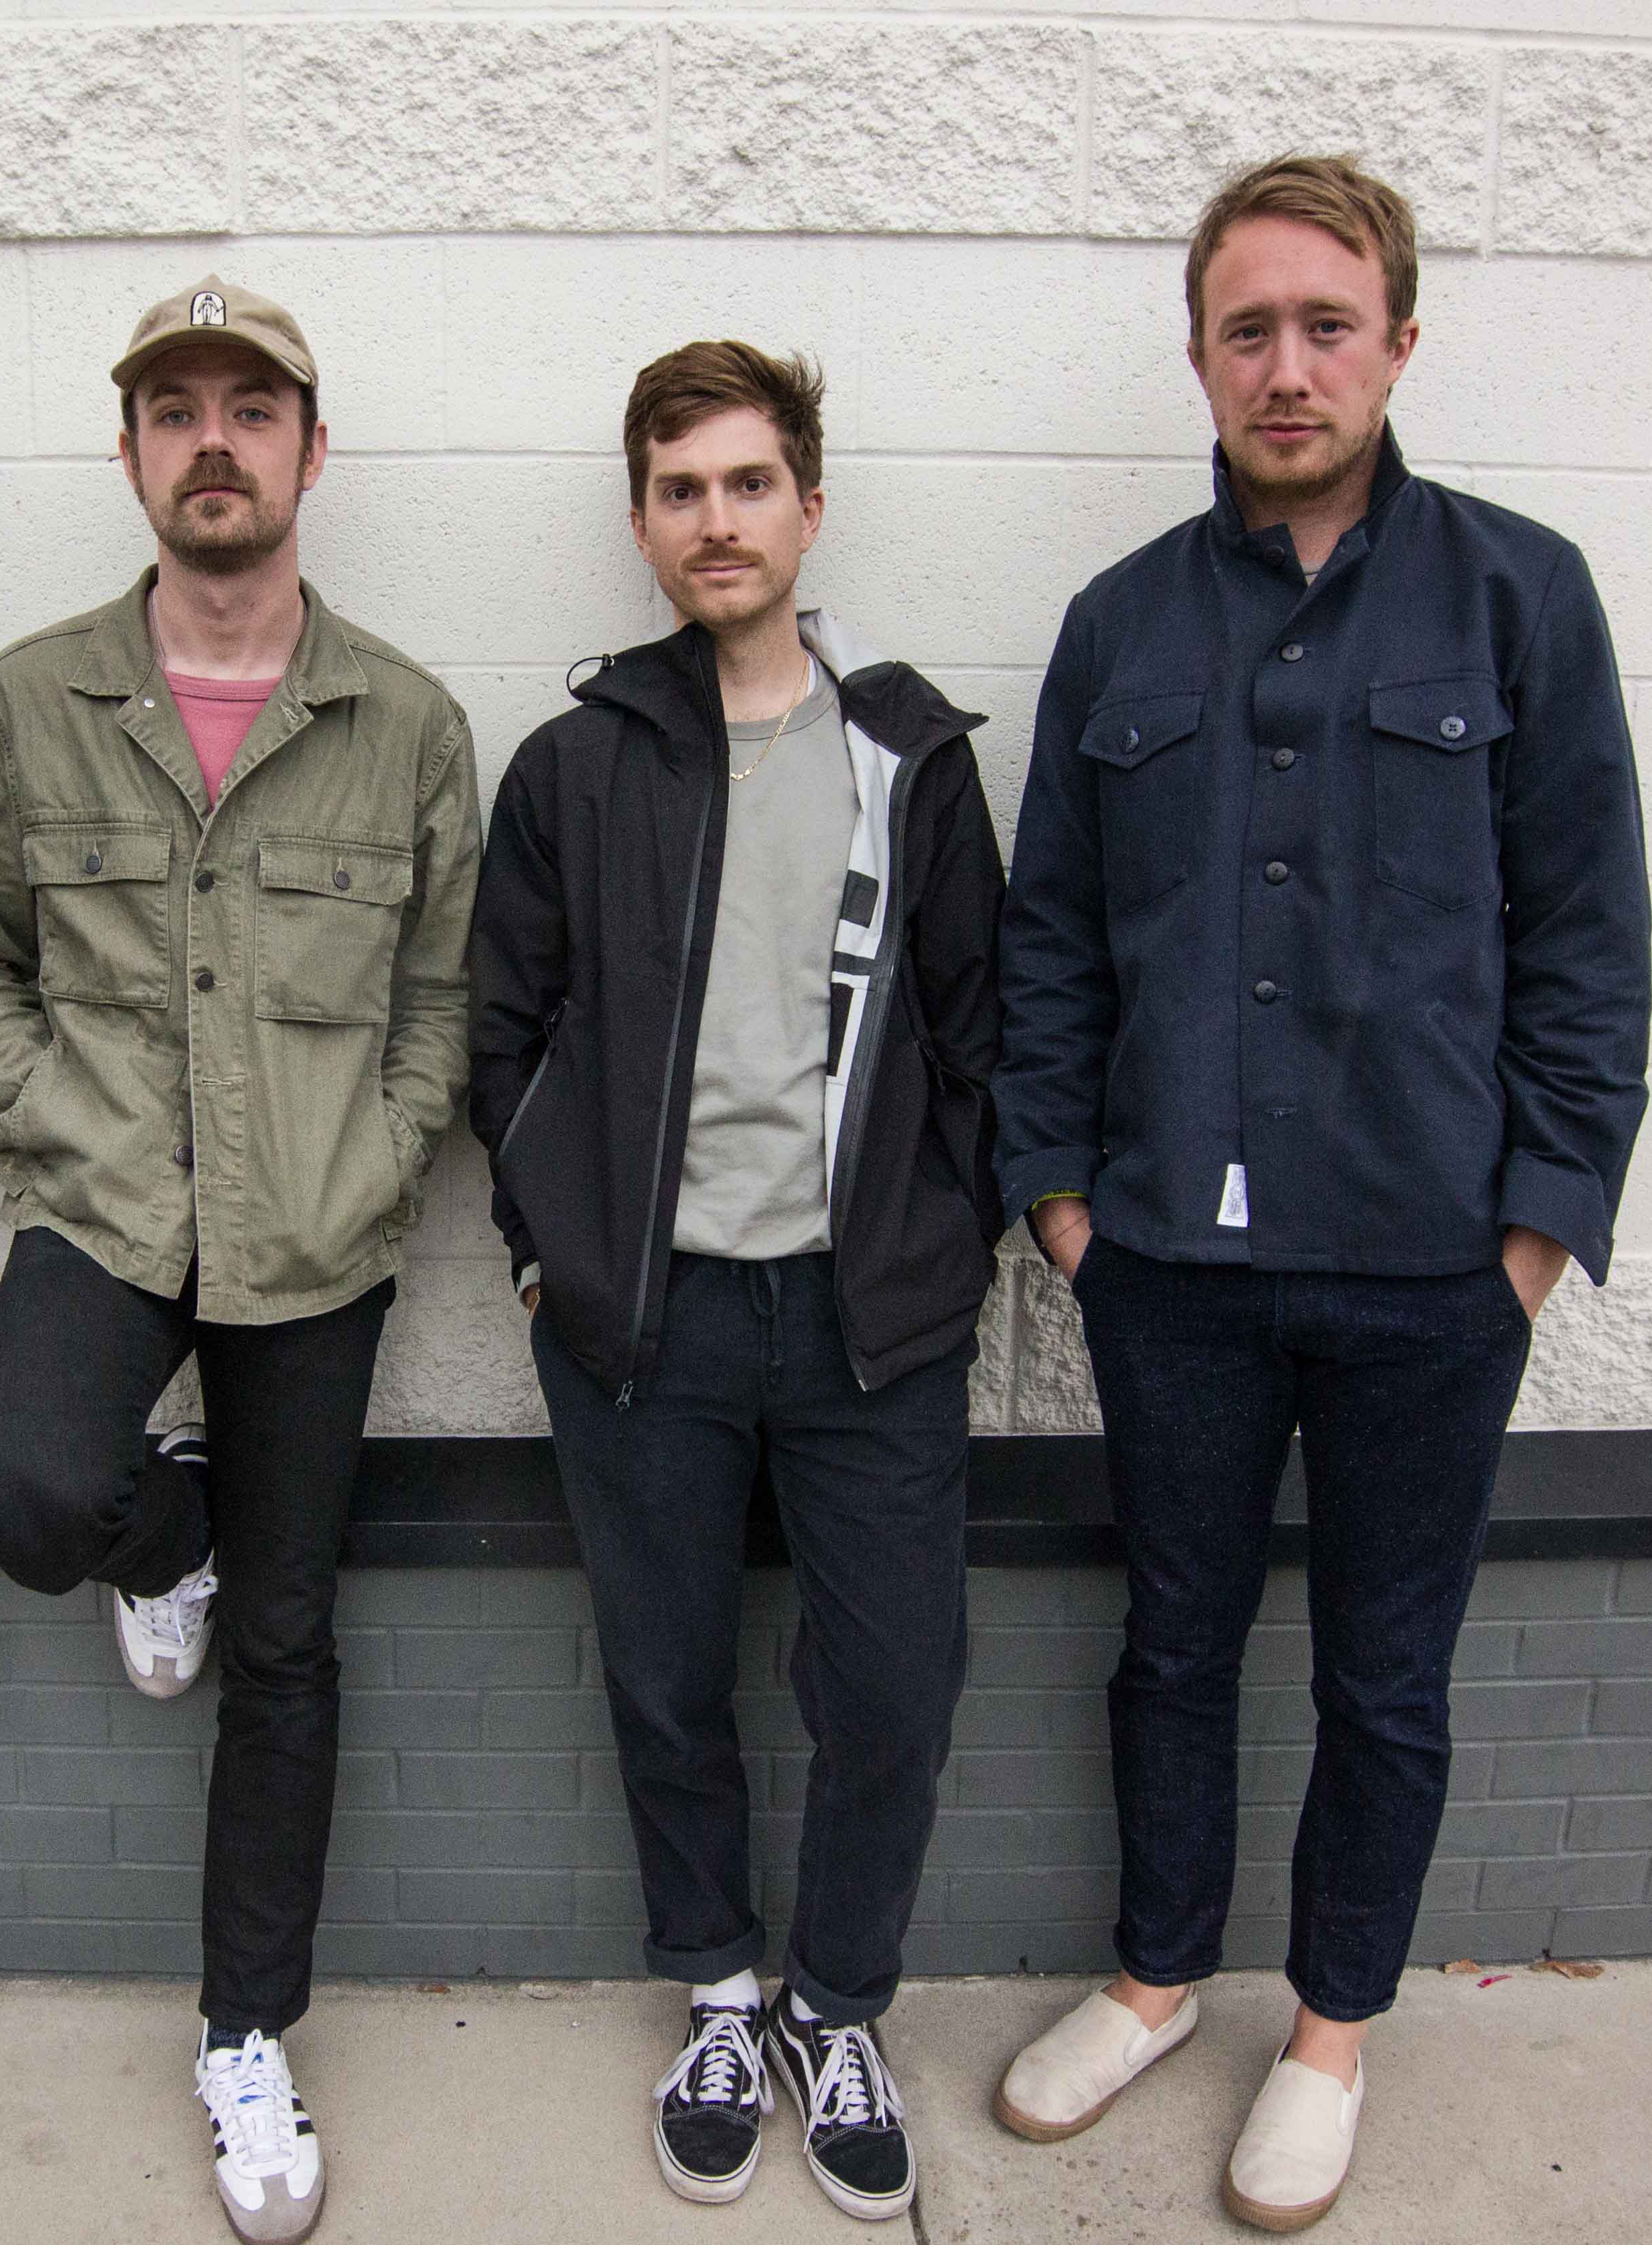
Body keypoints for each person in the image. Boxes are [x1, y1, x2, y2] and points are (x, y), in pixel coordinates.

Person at [988, 156, 1651, 2230]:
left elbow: (1587, 931)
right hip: (1168, 1263)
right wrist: (1059, 1200)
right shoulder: (1118, 623)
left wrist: (1530, 1230)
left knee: (1382, 1672)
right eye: (1247, 329)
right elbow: (1048, 938)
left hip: (1430, 1266)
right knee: (1170, 1645)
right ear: (1199, 358)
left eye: (1325, 324)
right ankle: (1155, 1976)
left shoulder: (1517, 596)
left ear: (1397, 343)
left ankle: (1331, 2032)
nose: (1287, 366)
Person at [0, 275, 480, 2244]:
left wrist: (384, 1151)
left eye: (253, 408)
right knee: (24, 1489)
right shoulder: (32, 700)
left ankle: (246, 2031)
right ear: (132, 450)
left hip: (315, 1229)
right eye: (177, 410)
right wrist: (42, 1104)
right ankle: (165, 1542)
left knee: (291, 1645)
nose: (214, 441)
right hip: (106, 1201)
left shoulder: (405, 721)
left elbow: (441, 997)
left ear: (314, 452)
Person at [468, 342, 1008, 2225]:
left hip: (871, 1322)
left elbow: (979, 1032)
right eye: (681, 488)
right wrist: (545, 1249)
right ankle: (715, 1993)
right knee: (667, 1676)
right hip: (650, 1318)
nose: (718, 519)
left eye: (749, 482)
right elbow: (502, 1032)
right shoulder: (576, 767)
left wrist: (945, 1235)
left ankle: (835, 2008)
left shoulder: (910, 757)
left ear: (809, 506)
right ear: (641, 521)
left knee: (893, 1688)